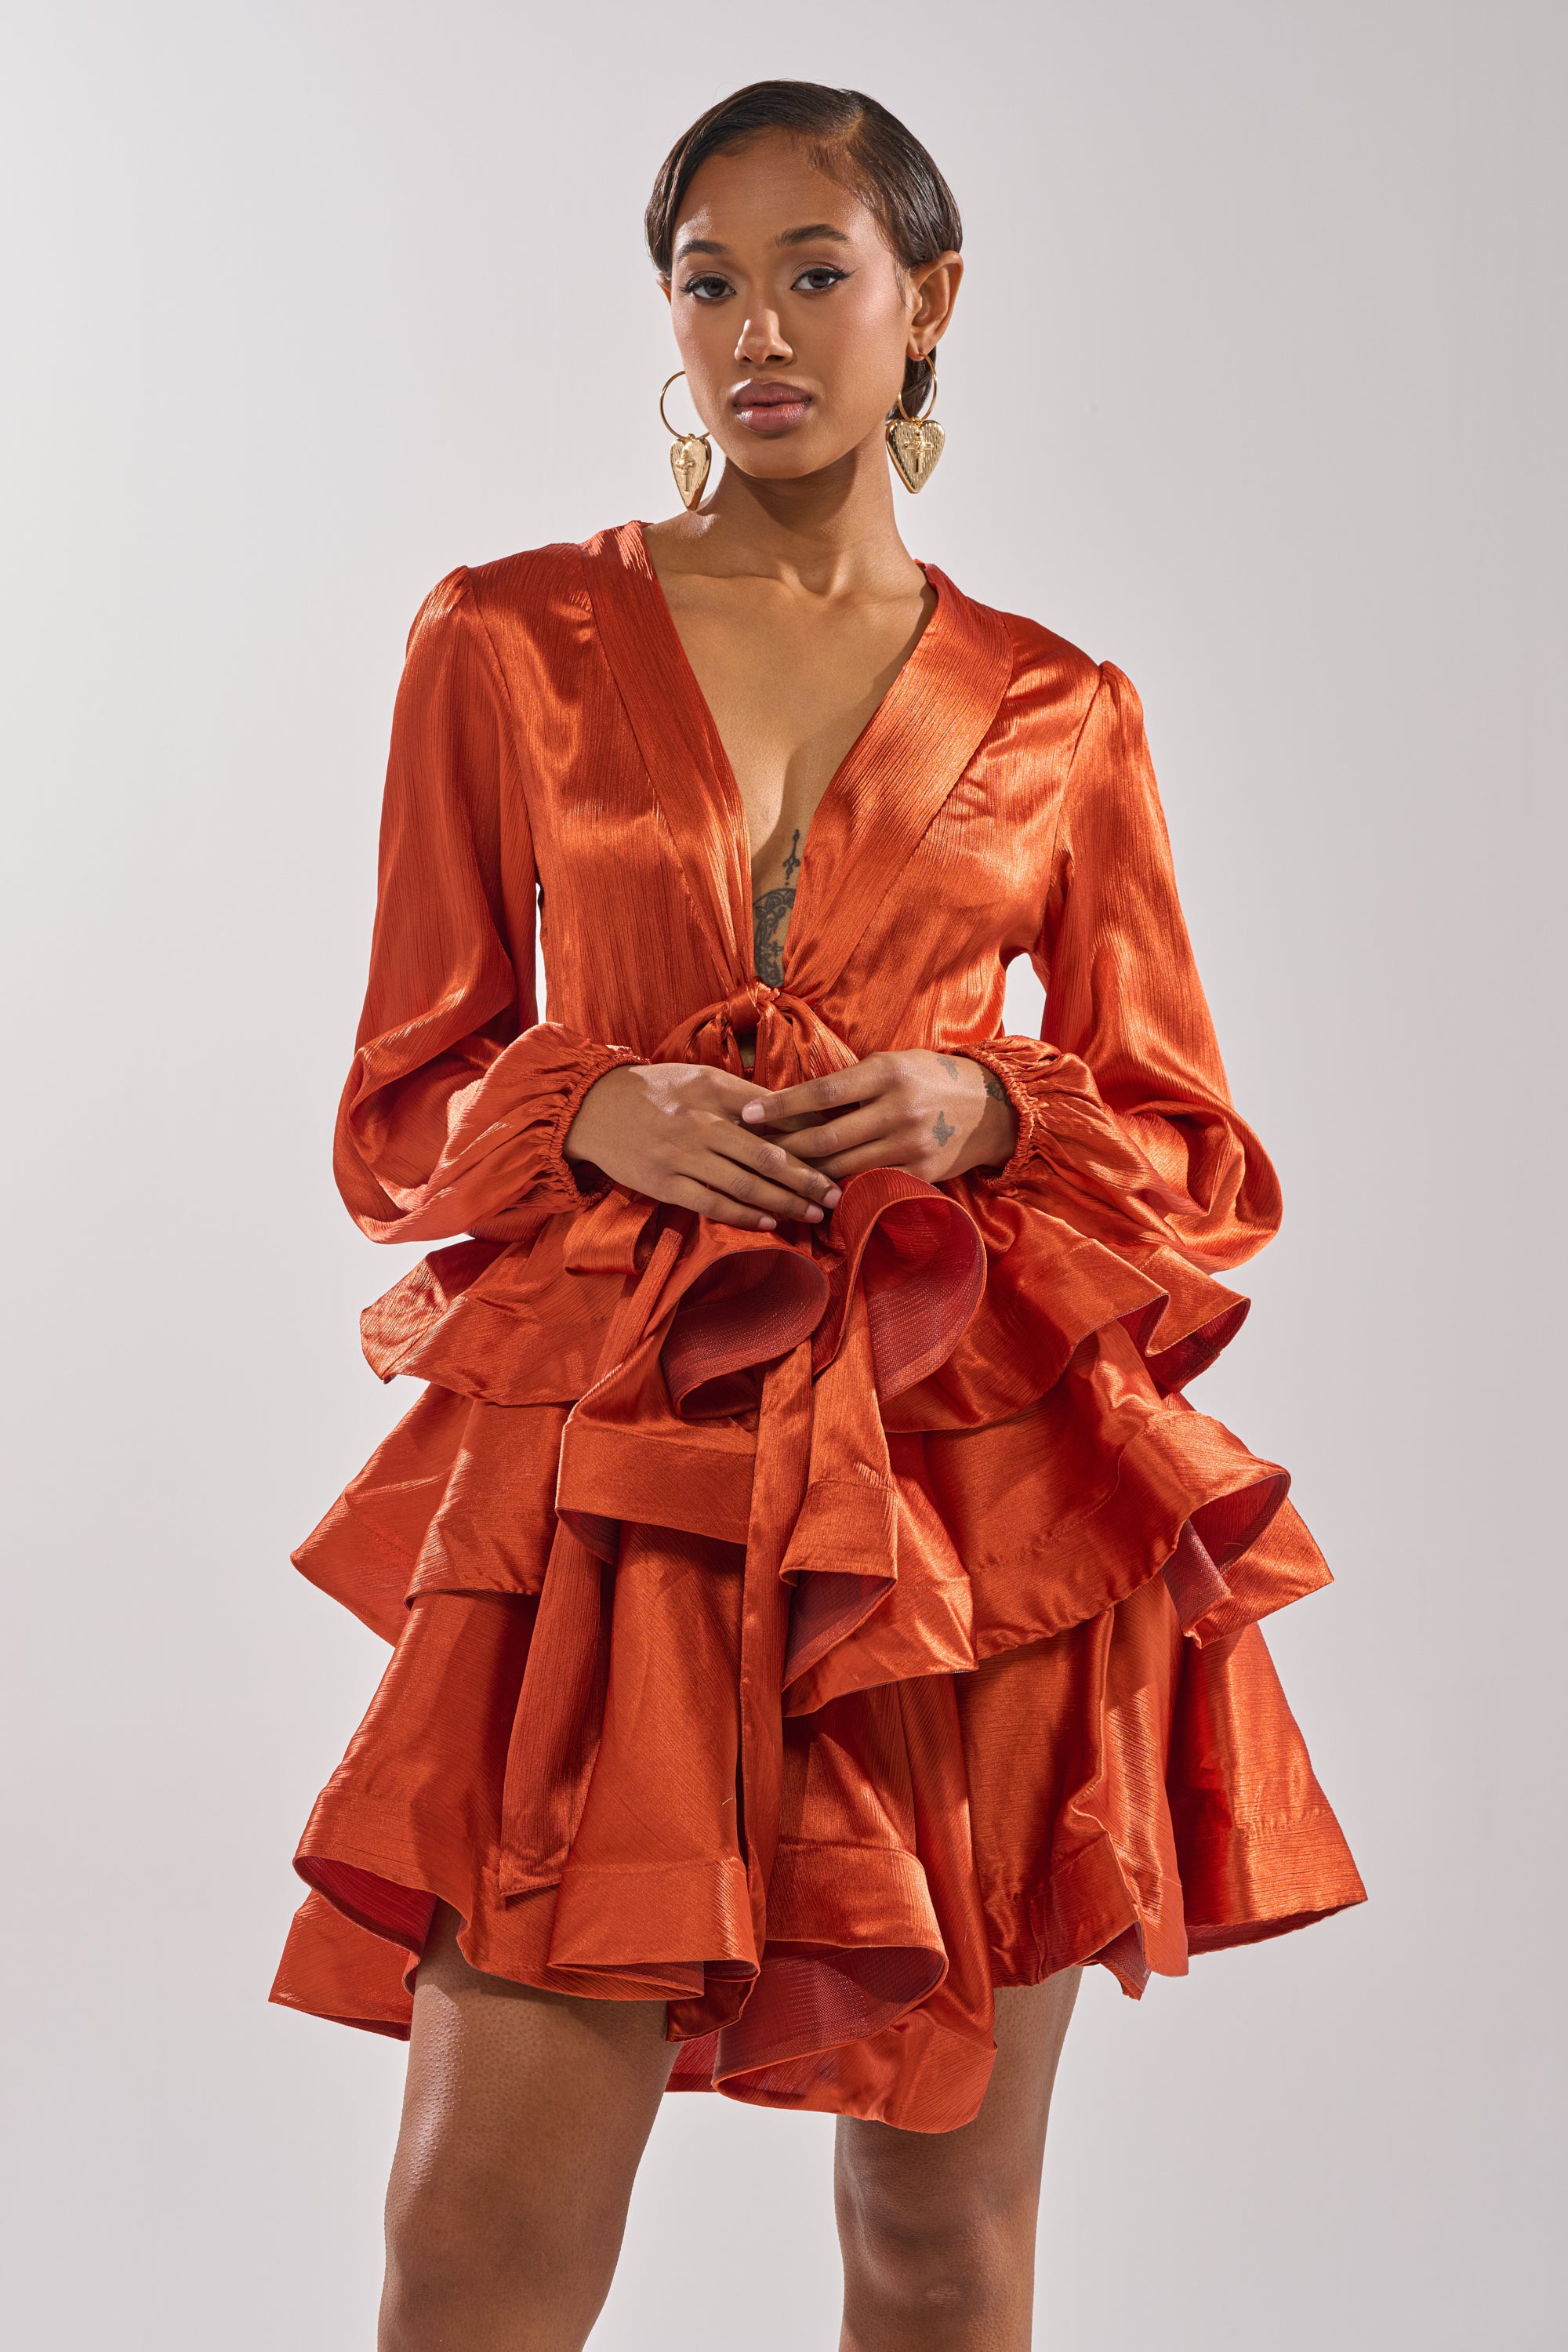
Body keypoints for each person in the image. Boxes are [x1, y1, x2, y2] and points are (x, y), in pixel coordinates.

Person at [270, 78, 1365, 2352]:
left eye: (813, 272)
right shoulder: (506, 641)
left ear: (928, 306)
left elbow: (1195, 1160)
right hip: (620, 1504)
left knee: (942, 2251)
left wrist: (981, 1098)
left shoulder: (1063, 710)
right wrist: (590, 1110)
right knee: (474, 2256)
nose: (754, 329)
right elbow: (398, 1112)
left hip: (961, 1526)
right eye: (706, 278)